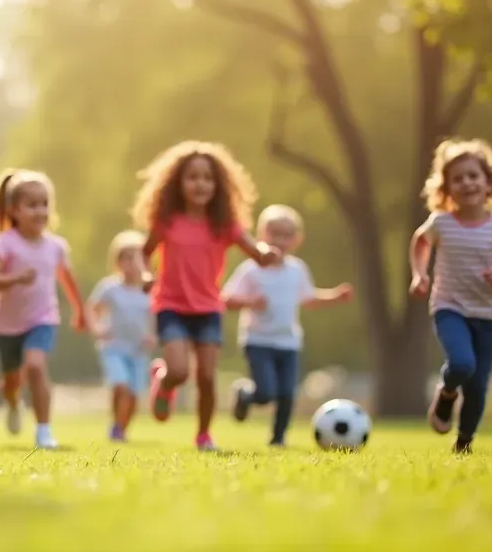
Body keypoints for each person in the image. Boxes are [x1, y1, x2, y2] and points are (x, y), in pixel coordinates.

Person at [132, 141, 279, 452]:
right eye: (192, 177)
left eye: (208, 178)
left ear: (218, 185)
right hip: (171, 305)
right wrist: (146, 276)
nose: (200, 184)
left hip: (208, 308)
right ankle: (165, 381)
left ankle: (203, 435)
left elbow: (254, 249)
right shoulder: (167, 222)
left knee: (207, 377)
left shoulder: (223, 225)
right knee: (180, 371)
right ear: (178, 183)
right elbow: (144, 254)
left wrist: (265, 254)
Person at [0, 168, 86, 449]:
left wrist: (80, 311)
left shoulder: (56, 247)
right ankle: (13, 402)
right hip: (7, 325)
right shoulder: (3, 244)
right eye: (32, 205)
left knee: (37, 367)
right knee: (12, 382)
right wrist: (15, 278)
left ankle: (44, 431)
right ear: (14, 210)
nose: (40, 211)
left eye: (44, 204)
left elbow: (68, 279)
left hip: (43, 318)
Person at [410, 138, 492, 454]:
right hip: (450, 307)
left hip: (490, 317)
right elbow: (420, 243)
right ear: (446, 189)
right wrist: (420, 274)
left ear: (490, 182)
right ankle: (446, 393)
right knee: (461, 364)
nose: (466, 183)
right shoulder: (442, 223)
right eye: (457, 179)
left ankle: (464, 442)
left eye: (474, 176)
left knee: (477, 386)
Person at [221, 204, 353, 447]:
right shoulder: (251, 270)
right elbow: (226, 299)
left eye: (287, 235)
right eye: (274, 233)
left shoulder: (297, 270)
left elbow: (309, 299)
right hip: (257, 340)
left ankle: (278, 438)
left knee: (287, 393)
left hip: (289, 341)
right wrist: (250, 301)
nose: (280, 240)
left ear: (297, 239)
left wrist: (335, 296)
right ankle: (246, 395)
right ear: (260, 235)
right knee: (267, 392)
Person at [86, 230, 156, 443]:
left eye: (136, 257)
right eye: (125, 258)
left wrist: (153, 335)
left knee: (134, 395)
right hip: (114, 347)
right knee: (121, 386)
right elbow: (91, 309)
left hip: (138, 351)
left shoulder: (150, 289)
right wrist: (97, 328)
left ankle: (120, 427)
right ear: (117, 262)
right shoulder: (110, 288)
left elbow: (156, 315)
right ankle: (116, 425)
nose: (131, 263)